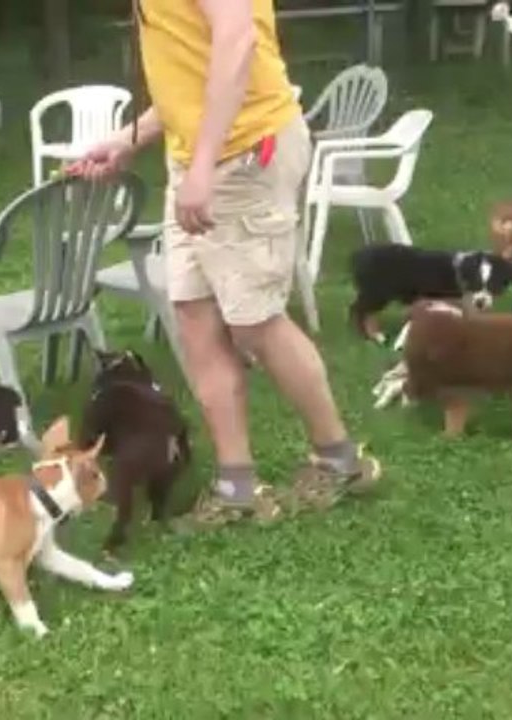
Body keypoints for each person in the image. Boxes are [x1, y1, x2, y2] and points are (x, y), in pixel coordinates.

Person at [67, 0, 379, 524]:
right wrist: (130, 139)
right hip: (196, 156)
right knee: (193, 314)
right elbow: (188, 67)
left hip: (244, 151)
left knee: (255, 321)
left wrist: (205, 166)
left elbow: (236, 43)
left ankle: (339, 460)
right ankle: (238, 488)